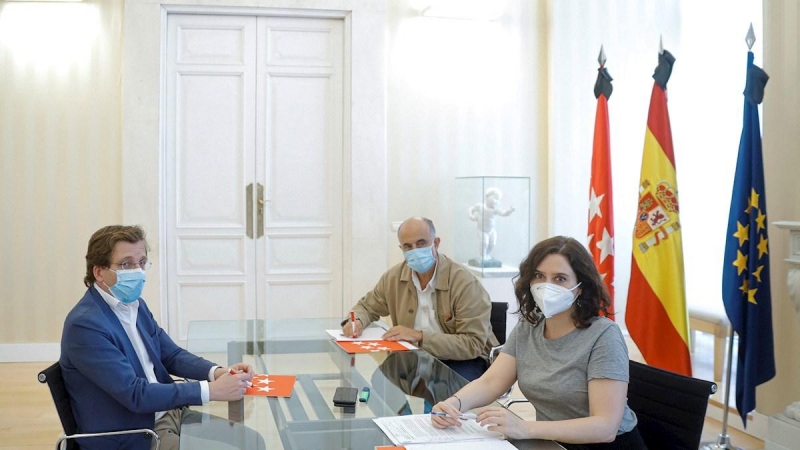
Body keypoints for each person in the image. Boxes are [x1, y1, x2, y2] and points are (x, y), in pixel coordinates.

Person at [431, 236, 646, 449]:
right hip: (551, 442)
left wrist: (525, 428)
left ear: (580, 287)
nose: (546, 285)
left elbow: (605, 427)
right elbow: (491, 382)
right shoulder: (529, 327)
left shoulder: (604, 335)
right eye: (539, 276)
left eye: (560, 278)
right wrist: (454, 403)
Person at [60, 225, 261, 450]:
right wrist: (212, 391)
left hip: (168, 413)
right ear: (99, 272)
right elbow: (135, 394)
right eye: (126, 264)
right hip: (135, 433)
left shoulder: (134, 305)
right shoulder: (86, 325)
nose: (137, 271)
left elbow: (170, 354)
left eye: (142, 262)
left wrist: (218, 372)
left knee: (252, 442)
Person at [342, 216, 498, 381]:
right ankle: (404, 409)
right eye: (408, 246)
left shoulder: (464, 283)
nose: (415, 250)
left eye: (421, 243)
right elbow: (367, 307)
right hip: (414, 356)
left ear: (436, 243)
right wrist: (356, 321)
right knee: (381, 381)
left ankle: (435, 408)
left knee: (440, 391)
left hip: (464, 360)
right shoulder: (394, 278)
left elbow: (472, 344)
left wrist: (419, 336)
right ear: (401, 248)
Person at [468, 187, 515, 263]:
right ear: (487, 197)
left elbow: (503, 213)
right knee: (484, 242)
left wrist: (510, 211)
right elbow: (471, 210)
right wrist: (472, 216)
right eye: (494, 198)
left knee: (492, 243)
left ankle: (487, 255)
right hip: (481, 230)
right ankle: (483, 256)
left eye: (498, 200)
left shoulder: (495, 210)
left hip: (491, 230)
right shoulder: (480, 206)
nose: (496, 201)